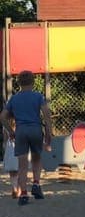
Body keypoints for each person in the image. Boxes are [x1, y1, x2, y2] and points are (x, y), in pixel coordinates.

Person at [0, 71, 53, 205]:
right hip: (35, 129)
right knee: (36, 158)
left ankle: (23, 194)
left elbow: (2, 117)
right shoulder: (38, 96)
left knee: (22, 165)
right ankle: (36, 184)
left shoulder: (14, 98)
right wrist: (48, 133)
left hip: (21, 131)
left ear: (18, 83)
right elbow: (46, 114)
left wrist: (11, 131)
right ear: (33, 82)